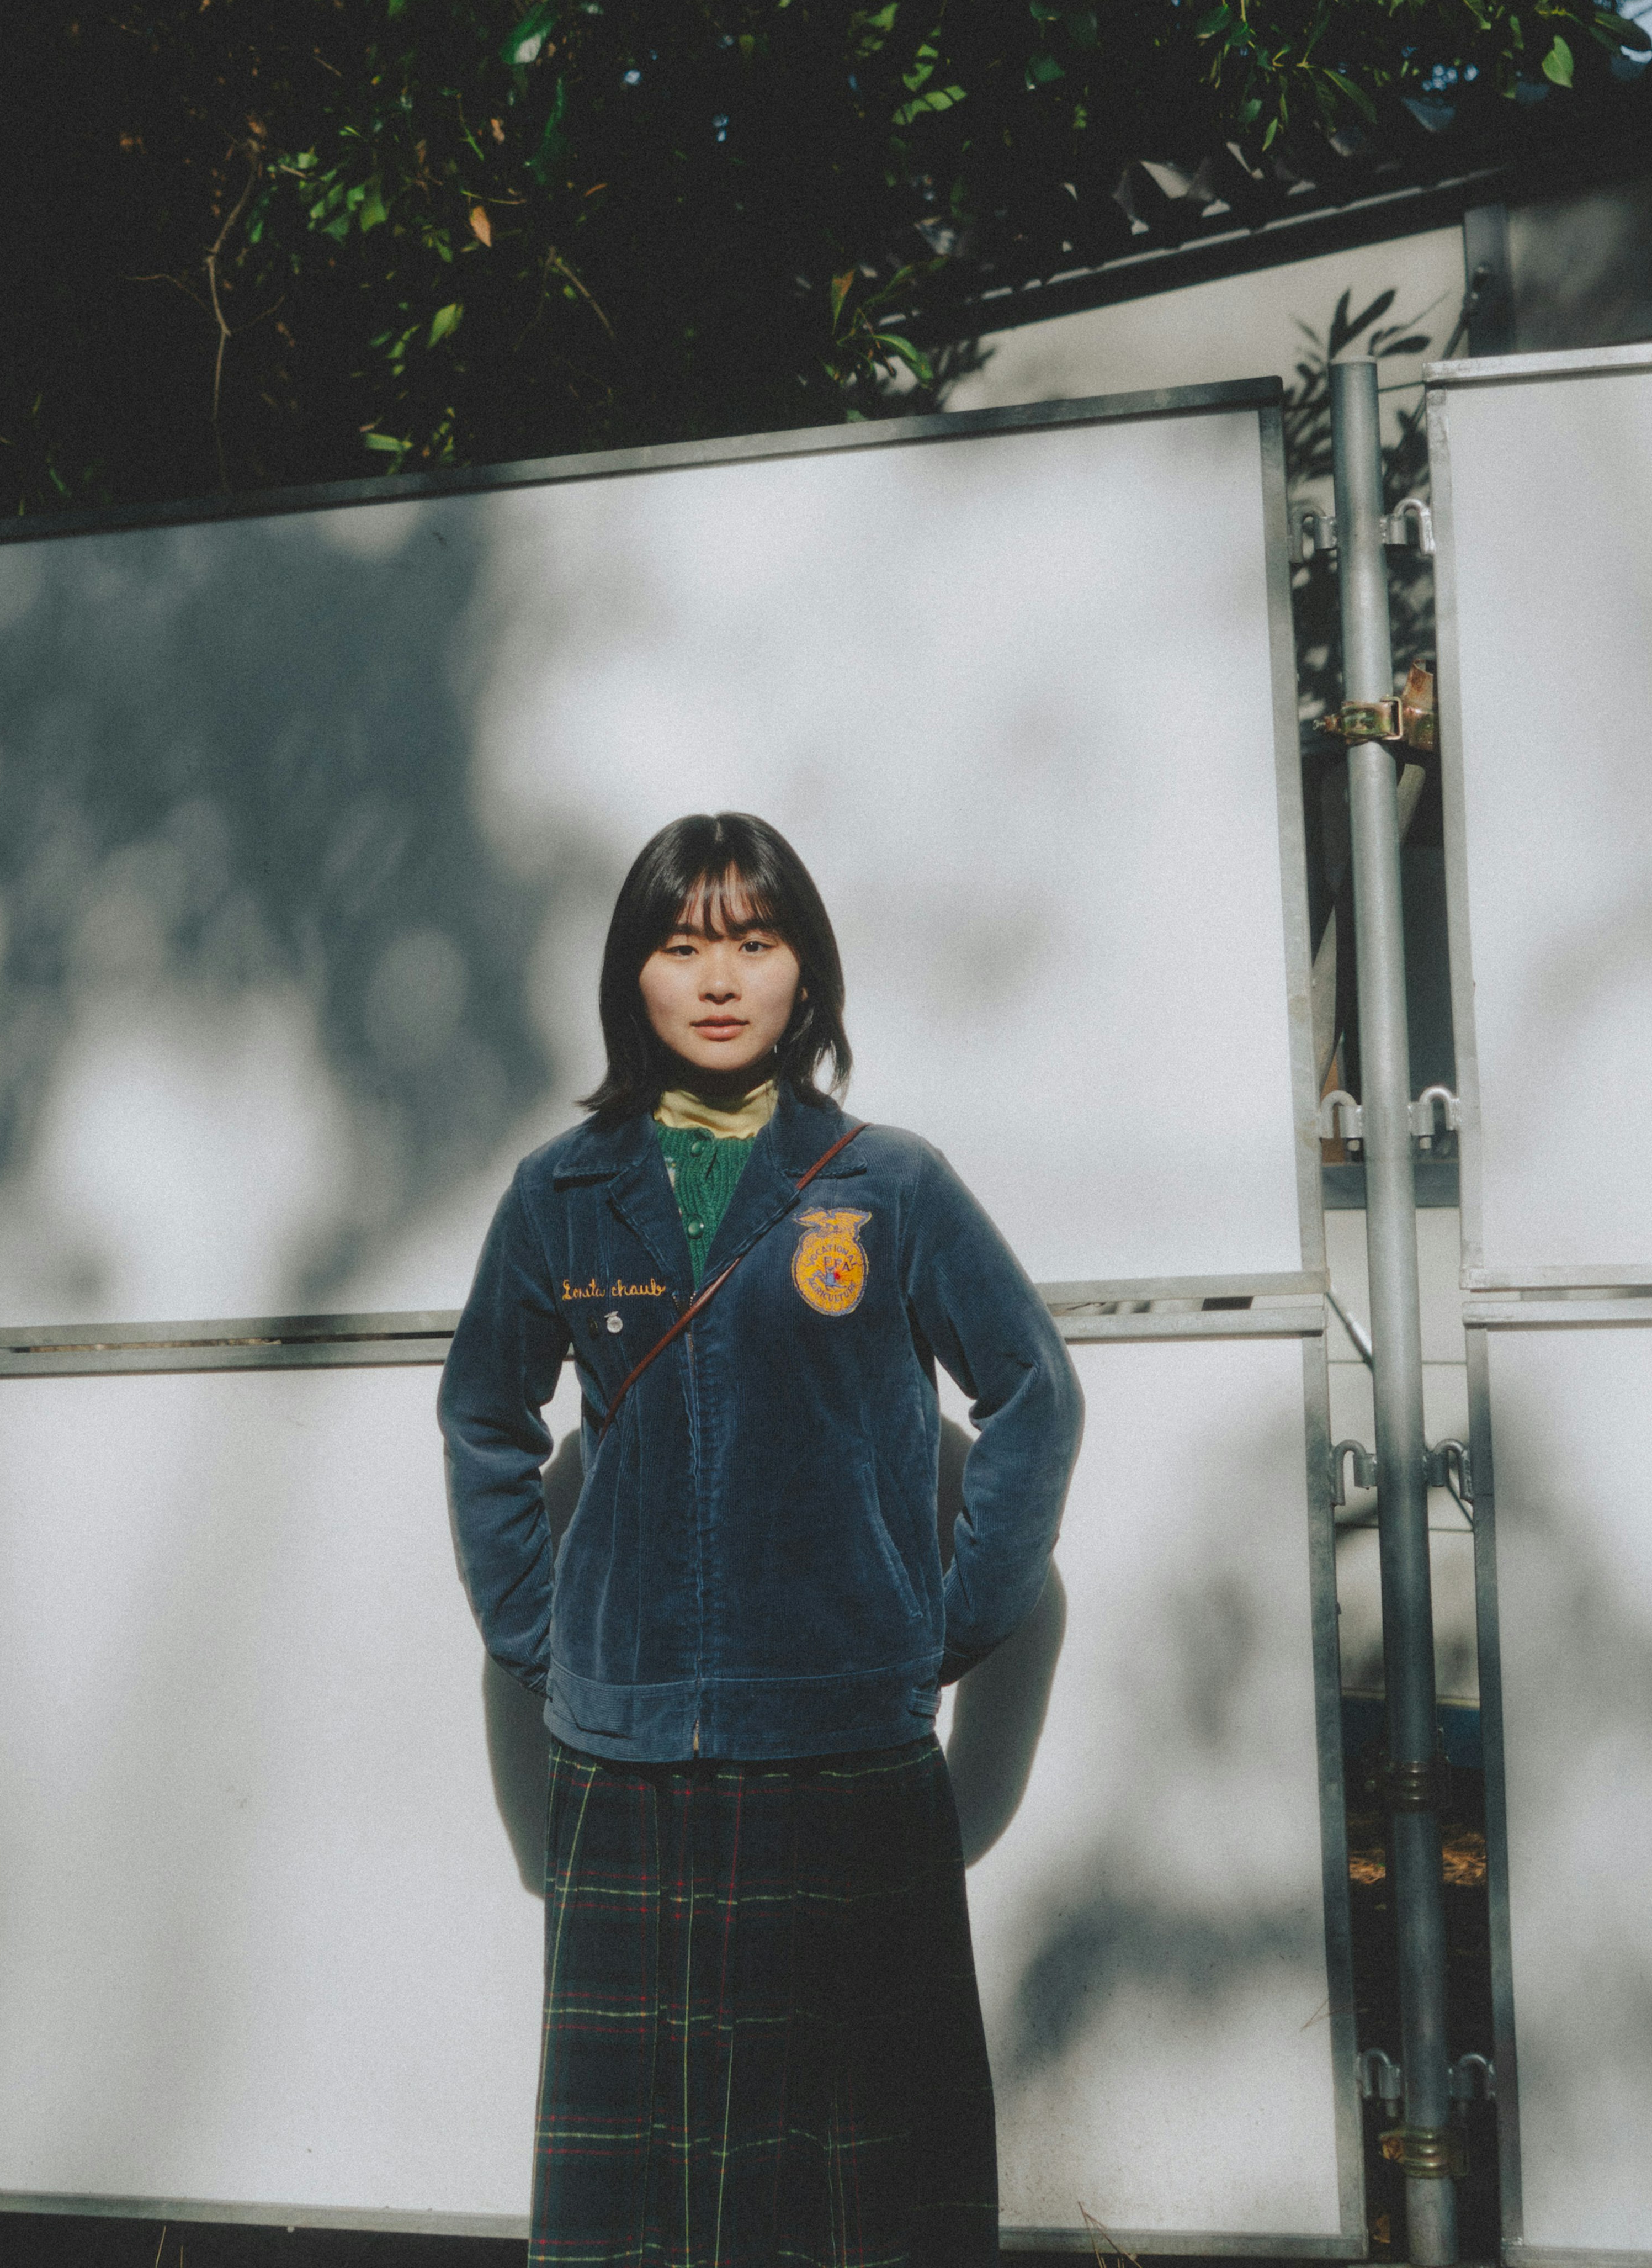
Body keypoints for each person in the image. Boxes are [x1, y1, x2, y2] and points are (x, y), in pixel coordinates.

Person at [440, 810, 1083, 2268]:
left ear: (810, 975)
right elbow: (484, 1414)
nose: (719, 978)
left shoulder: (890, 1186)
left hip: (850, 1771)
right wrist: (541, 1634)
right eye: (681, 946)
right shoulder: (559, 1195)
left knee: (865, 2217)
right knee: (646, 2222)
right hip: (628, 1774)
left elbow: (1037, 1391)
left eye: (756, 940)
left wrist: (951, 1619)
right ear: (633, 983)